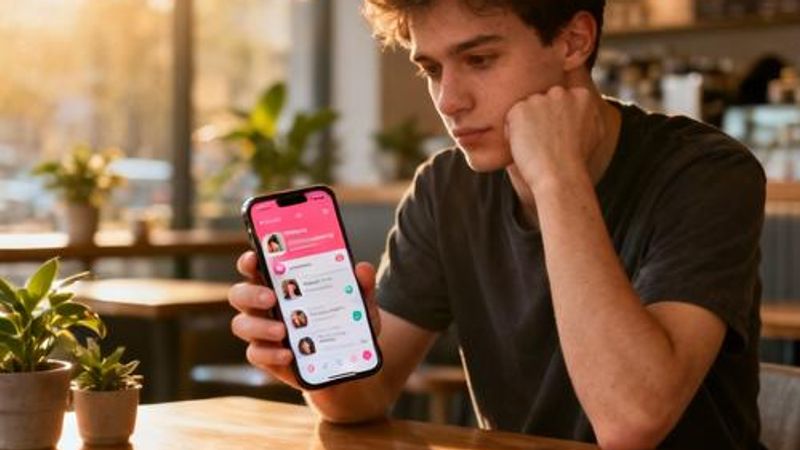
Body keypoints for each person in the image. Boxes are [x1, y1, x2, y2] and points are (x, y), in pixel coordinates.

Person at [229, 1, 766, 448]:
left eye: (480, 59)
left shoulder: (707, 174)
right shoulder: (445, 188)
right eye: (432, 69)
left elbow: (631, 422)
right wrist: (312, 361)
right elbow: (363, 398)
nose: (449, 100)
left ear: (574, 41)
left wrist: (557, 175)